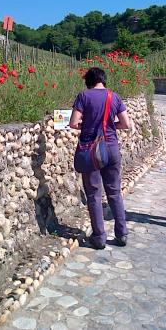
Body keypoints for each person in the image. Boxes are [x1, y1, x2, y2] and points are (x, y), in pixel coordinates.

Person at [69, 67, 132, 249]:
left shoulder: (83, 96)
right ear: (103, 80)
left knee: (94, 194)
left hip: (91, 150)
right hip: (111, 148)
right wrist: (111, 126)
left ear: (88, 81)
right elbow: (126, 123)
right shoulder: (115, 96)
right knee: (114, 191)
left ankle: (99, 237)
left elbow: (73, 123)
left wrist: (87, 125)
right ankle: (122, 234)